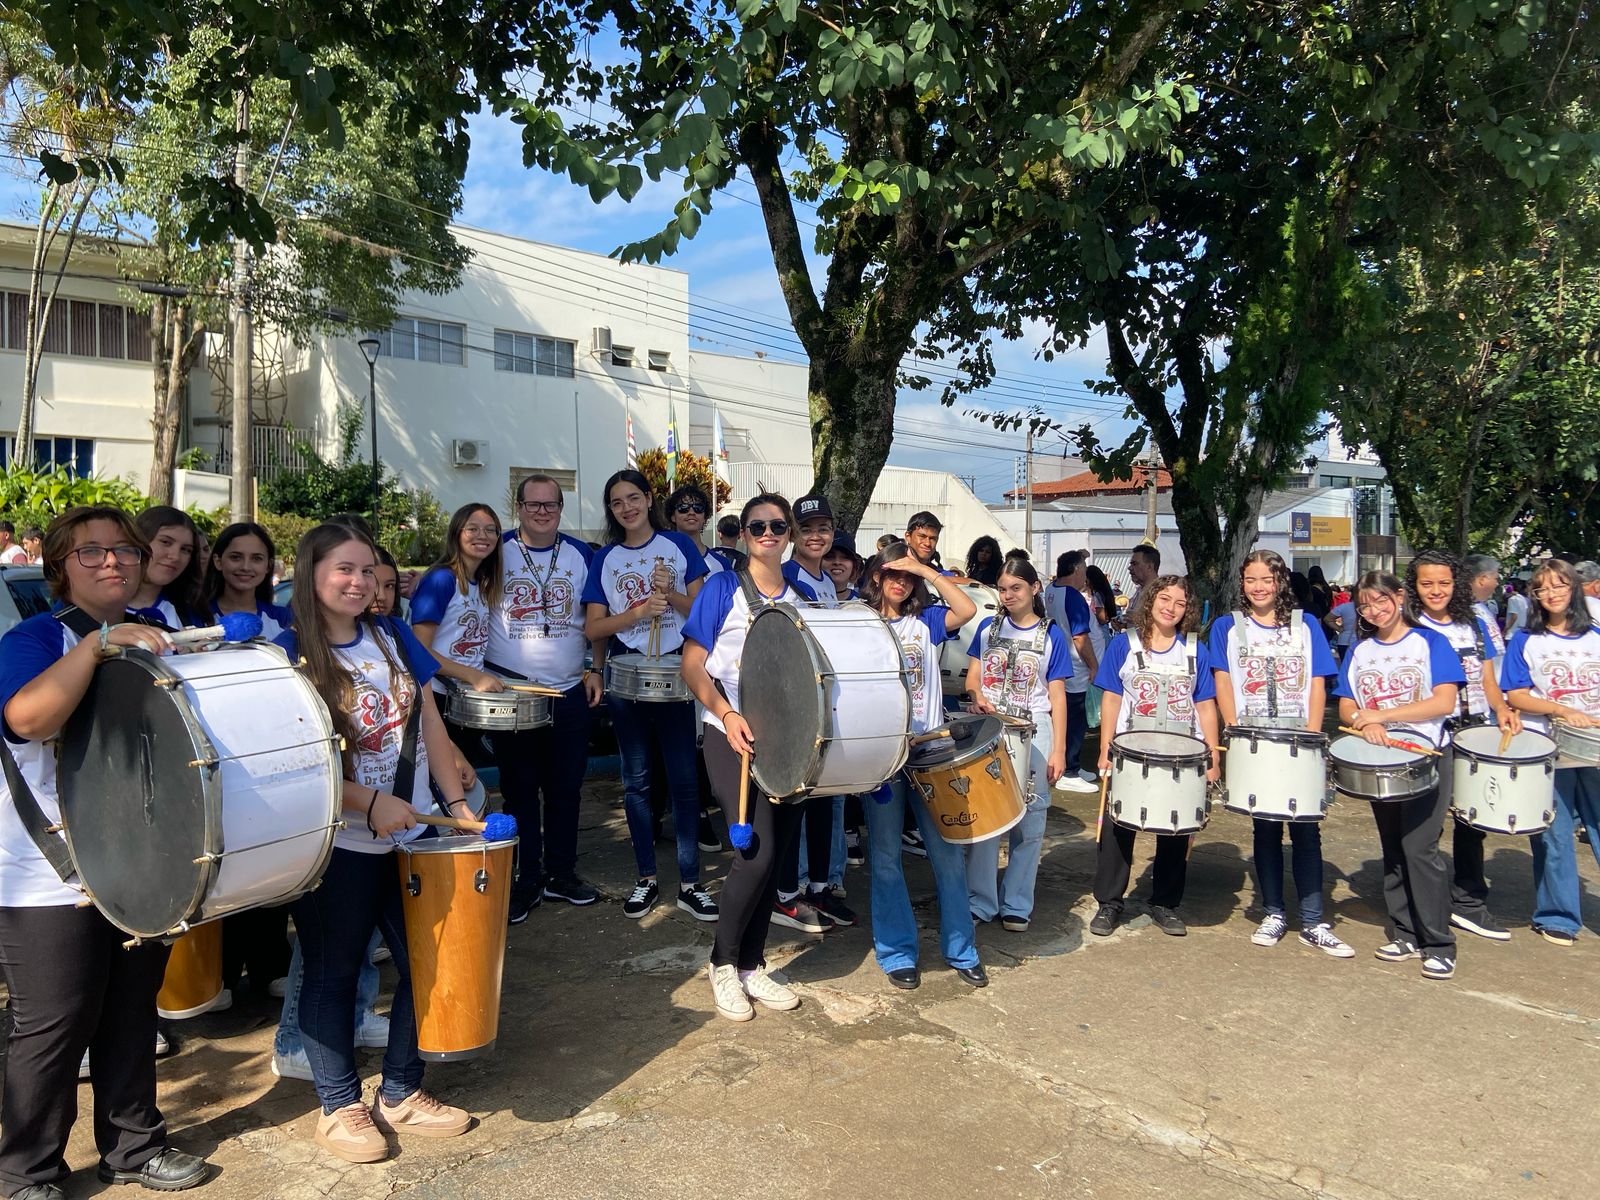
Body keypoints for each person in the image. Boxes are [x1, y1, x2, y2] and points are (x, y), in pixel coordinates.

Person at [0, 507, 211, 1199]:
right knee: (54, 1023)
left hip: (139, 859)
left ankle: (133, 1147)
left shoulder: (158, 634)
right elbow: (27, 720)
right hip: (47, 872)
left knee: (130, 1010)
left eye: (123, 549)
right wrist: (96, 646)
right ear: (60, 568)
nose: (112, 561)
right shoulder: (35, 637)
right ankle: (26, 1170)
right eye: (91, 552)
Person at [276, 523, 473, 1159]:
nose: (359, 582)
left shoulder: (390, 635)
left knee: (427, 963)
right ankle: (338, 1106)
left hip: (412, 835)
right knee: (334, 972)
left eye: (367, 571)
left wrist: (456, 806)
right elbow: (290, 763)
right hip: (335, 844)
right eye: (344, 569)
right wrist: (367, 802)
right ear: (311, 574)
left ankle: (400, 1089)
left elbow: (430, 725)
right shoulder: (286, 653)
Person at [681, 493, 813, 1021]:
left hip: (788, 744)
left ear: (790, 533)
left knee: (775, 860)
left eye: (777, 525)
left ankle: (751, 966)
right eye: (757, 526)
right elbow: (693, 665)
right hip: (727, 732)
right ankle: (722, 963)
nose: (767, 534)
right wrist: (727, 713)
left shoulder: (803, 596)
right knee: (755, 853)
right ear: (745, 534)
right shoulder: (722, 588)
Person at [583, 469, 716, 921]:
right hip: (627, 673)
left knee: (684, 779)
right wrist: (638, 612)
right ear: (611, 509)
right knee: (636, 780)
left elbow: (703, 610)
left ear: (648, 498)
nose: (627, 508)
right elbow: (594, 628)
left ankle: (691, 883)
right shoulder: (606, 558)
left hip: (677, 669)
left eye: (633, 498)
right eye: (617, 502)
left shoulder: (677, 545)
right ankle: (646, 878)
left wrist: (671, 594)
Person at [1208, 550, 1351, 957]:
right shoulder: (1227, 627)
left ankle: (1314, 920)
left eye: (1266, 580)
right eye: (1250, 580)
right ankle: (1273, 911)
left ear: (1280, 582)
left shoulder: (1305, 625)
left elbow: (1318, 681)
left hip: (1299, 738)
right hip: (1252, 738)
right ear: (1242, 584)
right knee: (1266, 826)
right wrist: (1233, 729)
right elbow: (1223, 681)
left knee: (1306, 827)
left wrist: (1312, 734)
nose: (1258, 588)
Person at [859, 543, 983, 987]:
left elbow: (966, 609)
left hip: (932, 755)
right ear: (877, 576)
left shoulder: (926, 621)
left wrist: (925, 569)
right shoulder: (860, 621)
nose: (900, 582)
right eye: (892, 573)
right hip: (882, 756)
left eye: (907, 576)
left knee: (948, 854)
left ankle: (962, 949)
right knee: (885, 856)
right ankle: (896, 952)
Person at [1333, 570, 1465, 980]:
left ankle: (1438, 943)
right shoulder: (1361, 650)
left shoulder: (1431, 642)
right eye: (1365, 606)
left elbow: (1444, 701)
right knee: (1392, 846)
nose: (1374, 611)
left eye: (1381, 601)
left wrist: (1383, 716)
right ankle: (1405, 932)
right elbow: (1346, 706)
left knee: (1420, 848)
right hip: (1381, 759)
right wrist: (1364, 722)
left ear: (1400, 596)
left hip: (1427, 755)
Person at [488, 475, 604, 923]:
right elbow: (457, 588)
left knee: (566, 790)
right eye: (533, 504)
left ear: (560, 508)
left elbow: (596, 617)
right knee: (518, 791)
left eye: (550, 505)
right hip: (513, 694)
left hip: (568, 690)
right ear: (518, 507)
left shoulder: (581, 554)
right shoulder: (496, 551)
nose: (541, 512)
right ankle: (525, 877)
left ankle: (561, 873)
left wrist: (596, 669)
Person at [1090, 575, 1220, 938]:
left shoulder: (1195, 651)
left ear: (1187, 610)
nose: (1171, 608)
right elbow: (1112, 698)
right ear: (1151, 600)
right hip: (1130, 753)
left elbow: (1205, 705)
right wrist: (1104, 749)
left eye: (1180, 603)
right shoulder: (1124, 644)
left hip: (1182, 755)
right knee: (1118, 825)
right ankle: (1109, 902)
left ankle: (1165, 903)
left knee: (1176, 826)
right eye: (1165, 599)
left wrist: (1213, 756)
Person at [1407, 550, 1520, 942]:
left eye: (1444, 582)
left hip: (1474, 730)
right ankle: (1426, 901)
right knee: (1428, 821)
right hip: (1430, 733)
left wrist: (1501, 709)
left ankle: (1469, 901)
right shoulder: (1409, 623)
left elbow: (1488, 679)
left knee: (1473, 819)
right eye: (1427, 583)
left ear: (1456, 583)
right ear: (1415, 586)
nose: (1436, 590)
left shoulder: (1474, 621)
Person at [965, 556, 1070, 932]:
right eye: (1003, 589)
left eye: (1016, 588)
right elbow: (973, 677)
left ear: (1034, 588)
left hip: (1034, 729)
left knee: (1031, 817)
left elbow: (1057, 696)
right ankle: (980, 899)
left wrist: (1059, 750)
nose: (1008, 595)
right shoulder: (987, 628)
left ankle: (1017, 902)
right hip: (992, 729)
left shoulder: (1051, 634)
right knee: (987, 816)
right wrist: (976, 695)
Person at [1499, 558, 1600, 947]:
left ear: (1574, 588)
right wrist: (1560, 709)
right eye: (1542, 587)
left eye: (1559, 585)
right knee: (1553, 833)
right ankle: (1558, 915)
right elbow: (1516, 694)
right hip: (1548, 748)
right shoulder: (1526, 640)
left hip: (1594, 747)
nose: (1552, 593)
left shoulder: (1596, 635)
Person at [773, 493, 848, 929]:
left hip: (824, 704)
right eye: (807, 529)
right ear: (793, 534)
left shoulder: (825, 582)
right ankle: (785, 895)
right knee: (793, 805)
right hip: (796, 708)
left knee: (823, 800)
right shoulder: (785, 578)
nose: (816, 536)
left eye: (824, 528)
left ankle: (819, 888)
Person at [408, 503, 503, 767]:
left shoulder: (481, 582)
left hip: (466, 696)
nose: (482, 536)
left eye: (490, 530)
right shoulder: (442, 580)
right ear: (456, 534)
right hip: (438, 697)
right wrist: (472, 675)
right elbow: (418, 650)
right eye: (472, 529)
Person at [1046, 550, 1100, 794]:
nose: (1085, 577)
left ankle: (1071, 765)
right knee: (1075, 719)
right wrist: (1094, 665)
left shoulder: (1051, 590)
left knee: (1067, 716)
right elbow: (1080, 637)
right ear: (1076, 570)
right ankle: (1069, 770)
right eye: (1084, 571)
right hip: (1076, 667)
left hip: (1062, 664)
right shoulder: (1073, 596)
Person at [204, 522, 294, 641]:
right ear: (218, 561)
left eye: (256, 559)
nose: (246, 567)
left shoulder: (284, 619)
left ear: (268, 566)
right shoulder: (195, 617)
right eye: (236, 557)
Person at [127, 506, 204, 628]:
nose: (175, 556)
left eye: (185, 549)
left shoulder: (192, 613)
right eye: (166, 542)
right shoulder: (103, 604)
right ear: (139, 541)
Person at [1082, 563, 1118, 730]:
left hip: (1099, 634)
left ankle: (1098, 711)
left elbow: (1102, 617)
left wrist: (1093, 614)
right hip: (1106, 633)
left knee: (1098, 671)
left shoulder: (1097, 595)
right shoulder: (1105, 592)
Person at [668, 483, 722, 573]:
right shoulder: (660, 558)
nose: (691, 512)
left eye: (698, 508)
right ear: (673, 516)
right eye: (684, 507)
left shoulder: (722, 564)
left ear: (704, 517)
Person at [1462, 554, 1507, 653]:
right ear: (1482, 579)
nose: (1497, 584)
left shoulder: (1481, 606)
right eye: (1496, 578)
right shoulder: (1462, 611)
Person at [822, 532, 862, 600]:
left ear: (854, 565)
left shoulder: (863, 603)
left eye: (845, 557)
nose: (837, 562)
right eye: (829, 556)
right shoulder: (806, 596)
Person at [1123, 544, 1159, 615]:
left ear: (1149, 566)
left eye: (1134, 564)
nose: (1129, 568)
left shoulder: (1160, 593)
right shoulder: (1136, 591)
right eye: (1131, 564)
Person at [1323, 593, 1357, 666]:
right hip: (1362, 640)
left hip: (1344, 640)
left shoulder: (1344, 607)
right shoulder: (1368, 608)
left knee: (1345, 667)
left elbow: (1327, 619)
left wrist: (1339, 629)